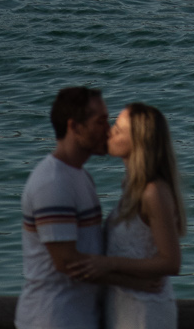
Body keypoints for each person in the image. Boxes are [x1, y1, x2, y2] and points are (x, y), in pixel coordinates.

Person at [69, 102, 185, 329]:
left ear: (139, 143)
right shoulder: (132, 188)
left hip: (145, 312)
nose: (109, 131)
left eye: (118, 129)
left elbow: (171, 262)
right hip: (124, 307)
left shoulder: (153, 192)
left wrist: (108, 263)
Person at [16, 86, 110, 329]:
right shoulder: (53, 182)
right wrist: (137, 280)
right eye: (101, 122)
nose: (108, 131)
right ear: (75, 127)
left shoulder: (79, 176)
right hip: (52, 318)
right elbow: (68, 264)